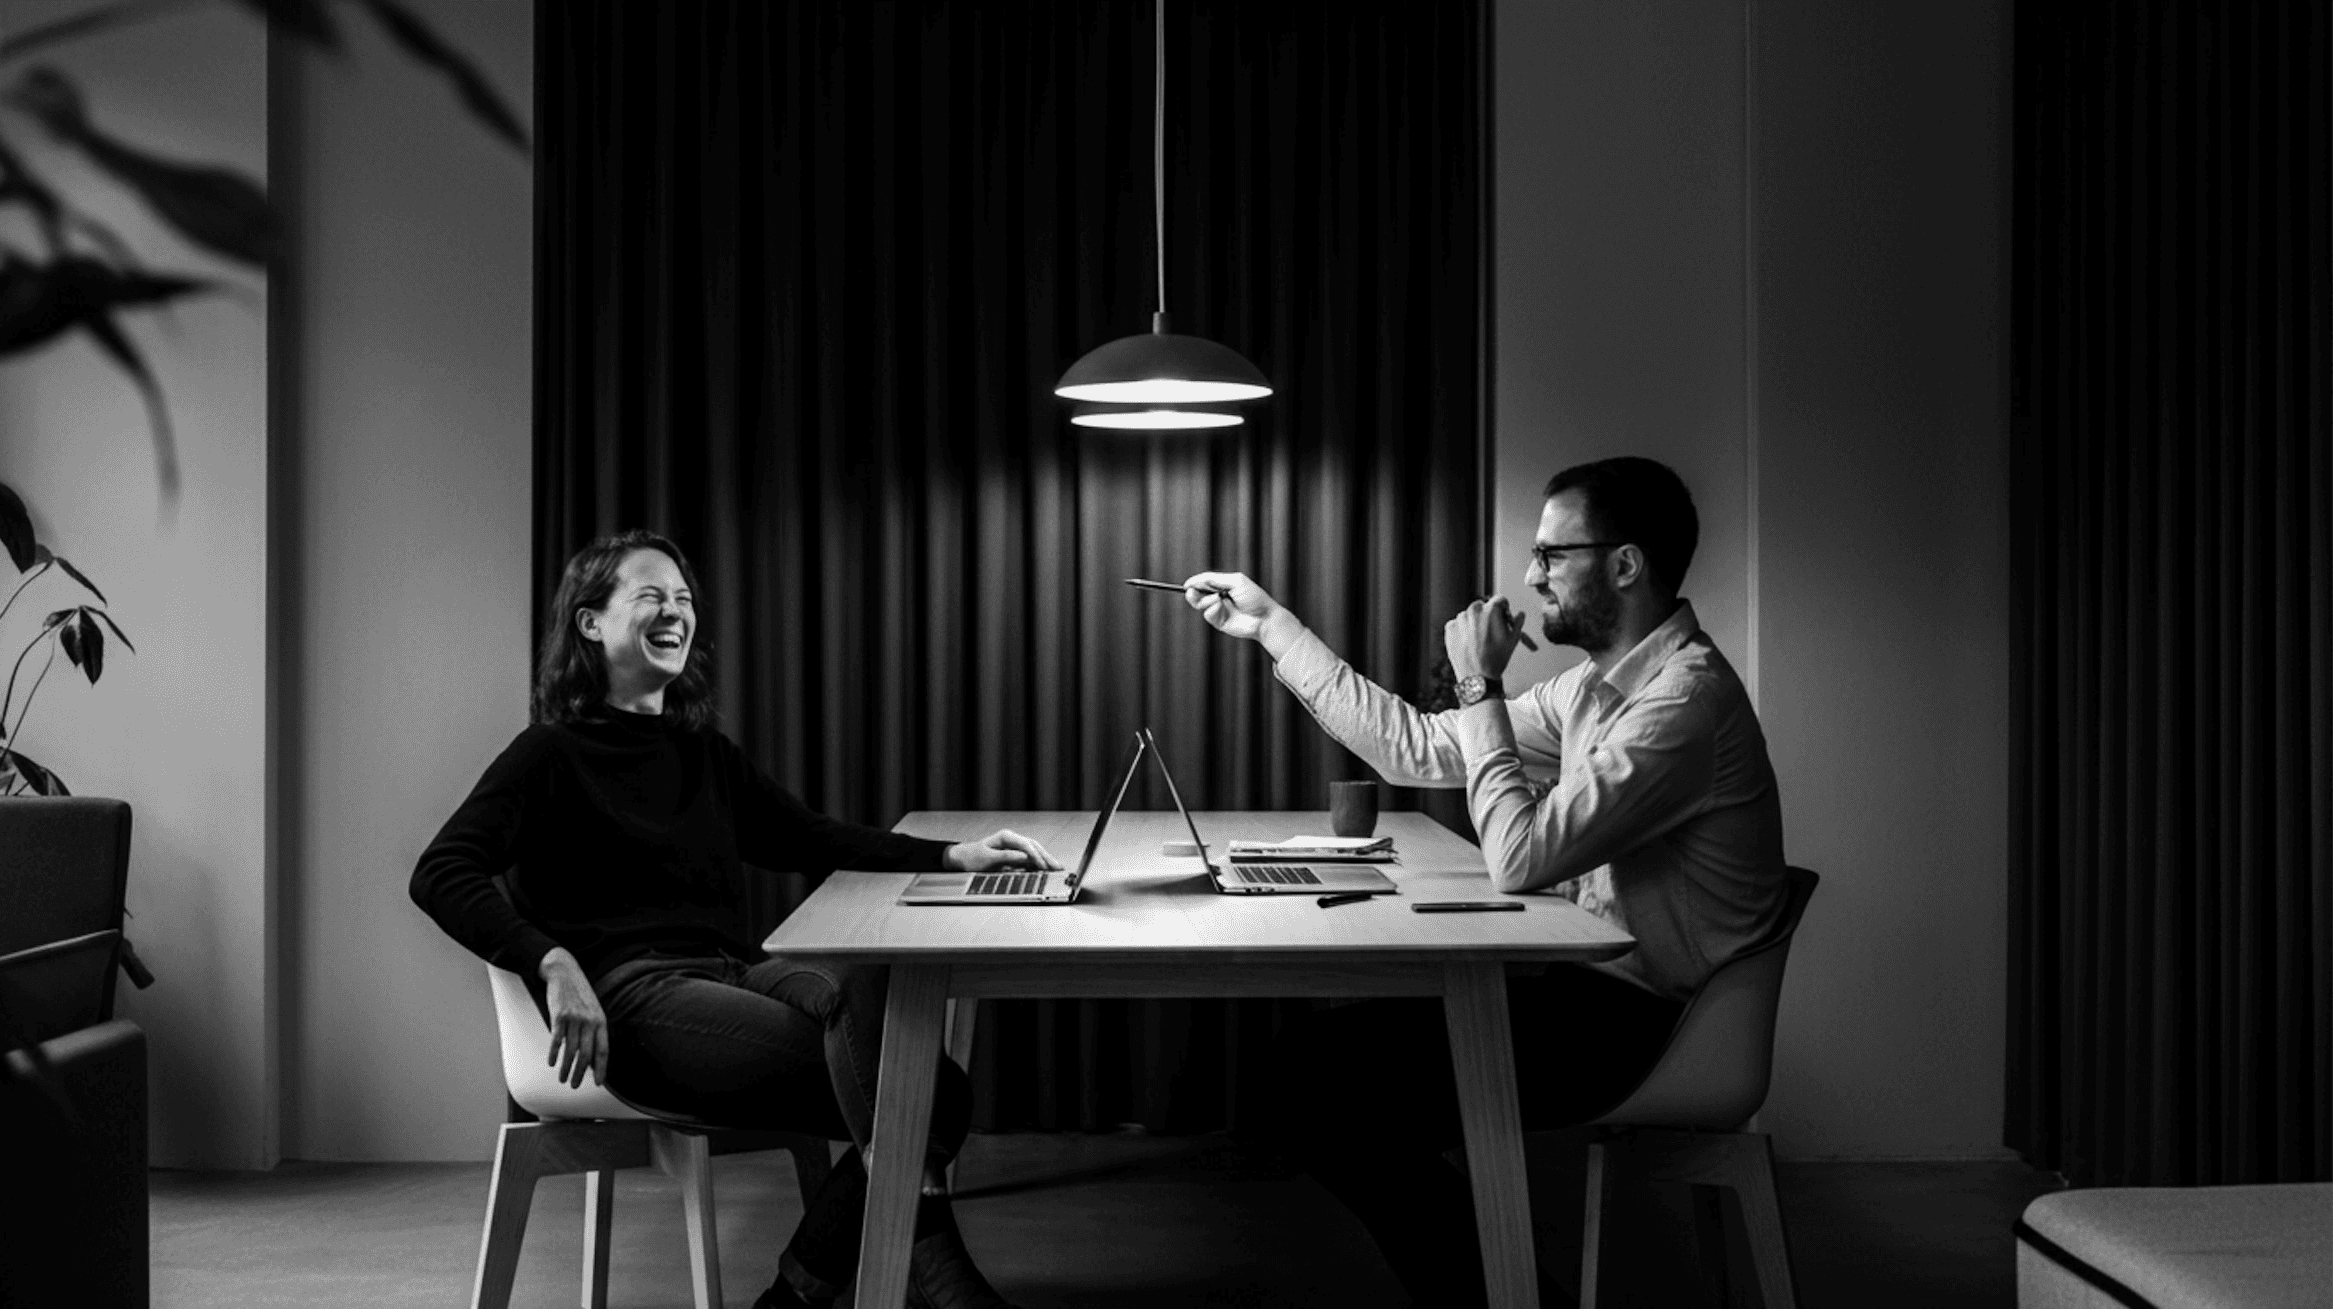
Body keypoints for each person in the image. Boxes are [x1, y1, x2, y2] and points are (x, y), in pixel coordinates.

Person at [1181, 455, 1786, 1307]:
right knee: (1304, 1074)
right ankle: (1504, 1286)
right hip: (1589, 993)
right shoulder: (1595, 687)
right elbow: (1422, 748)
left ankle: (1502, 1292)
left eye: (1552, 554)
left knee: (1312, 1087)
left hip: (1653, 1027)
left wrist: (1481, 683)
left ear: (1625, 564)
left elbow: (1520, 858)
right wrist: (1274, 625)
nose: (1532, 577)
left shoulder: (1681, 702)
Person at [412, 529, 1055, 1309]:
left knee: (921, 1061)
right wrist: (549, 961)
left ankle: (799, 1294)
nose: (674, 611)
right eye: (650, 595)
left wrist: (952, 855)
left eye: (683, 599)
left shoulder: (702, 752)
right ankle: (925, 1281)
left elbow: (810, 835)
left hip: (736, 972)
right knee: (920, 1088)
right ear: (590, 622)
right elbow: (440, 869)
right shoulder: (546, 754)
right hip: (635, 1002)